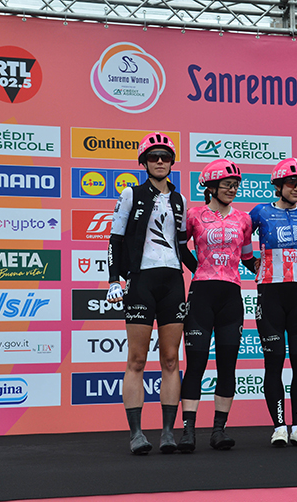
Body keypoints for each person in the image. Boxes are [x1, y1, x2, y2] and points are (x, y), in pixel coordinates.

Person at [107, 132, 196, 455]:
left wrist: (205, 271)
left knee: (171, 359)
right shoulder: (131, 194)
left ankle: (168, 433)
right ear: (143, 162)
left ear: (172, 163)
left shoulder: (180, 199)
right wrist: (114, 280)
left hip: (172, 281)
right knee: (137, 359)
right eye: (153, 157)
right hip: (141, 281)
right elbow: (116, 239)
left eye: (165, 157)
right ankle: (136, 434)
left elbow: (182, 247)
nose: (160, 161)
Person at [177, 158, 254, 451]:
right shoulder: (194, 215)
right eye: (227, 185)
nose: (232, 189)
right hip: (202, 294)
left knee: (227, 365)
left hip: (231, 297)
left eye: (235, 185)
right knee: (195, 363)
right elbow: (179, 247)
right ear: (210, 187)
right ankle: (188, 431)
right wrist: (198, 268)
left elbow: (248, 257)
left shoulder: (243, 219)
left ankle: (219, 431)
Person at [249, 158, 297, 448]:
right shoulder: (260, 212)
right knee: (274, 362)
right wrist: (250, 263)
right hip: (270, 294)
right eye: (292, 183)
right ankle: (279, 426)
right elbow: (238, 237)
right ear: (278, 186)